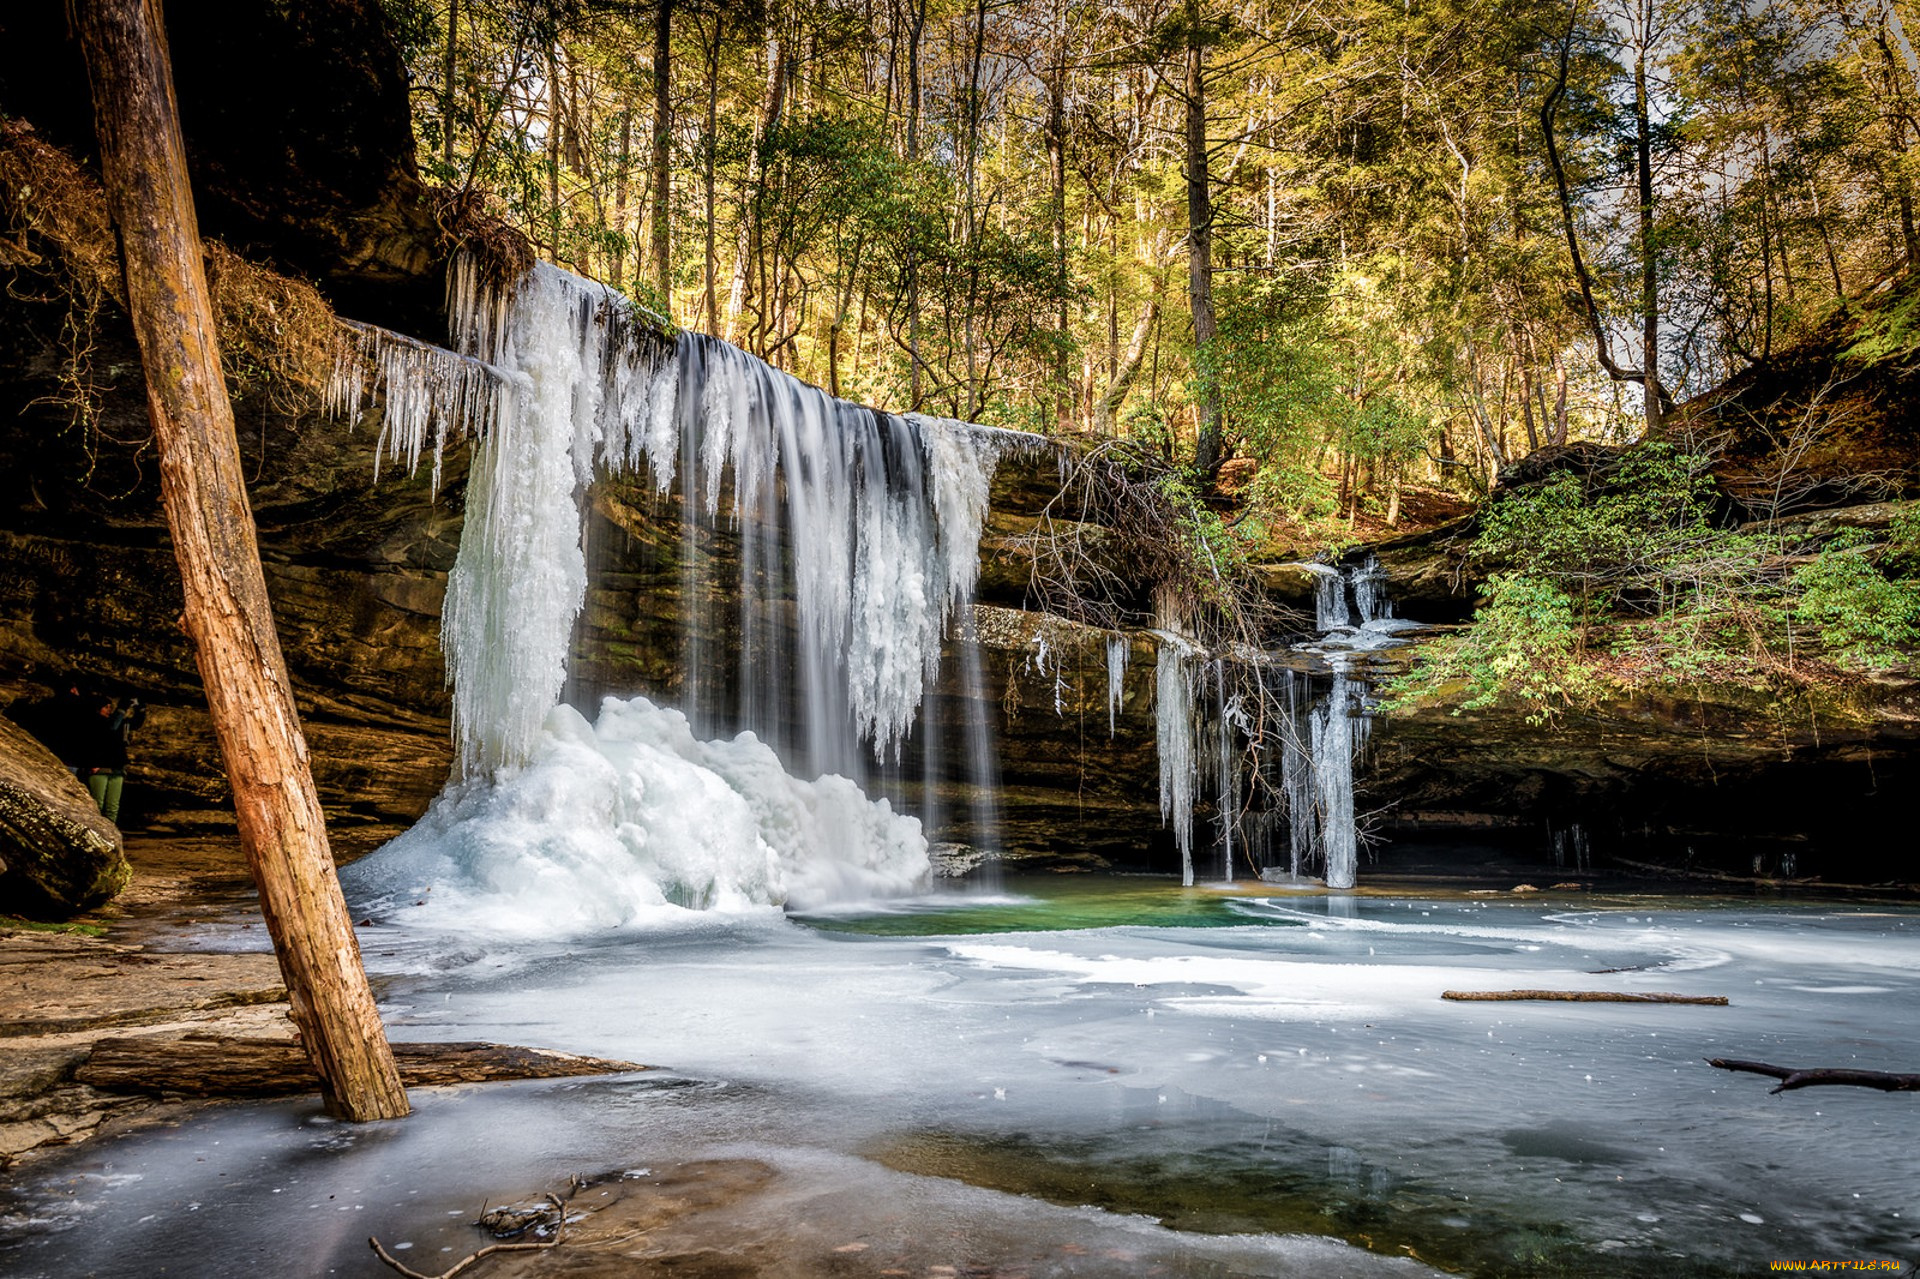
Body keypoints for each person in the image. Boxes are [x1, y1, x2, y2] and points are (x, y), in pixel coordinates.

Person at [84, 695, 142, 824]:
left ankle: (109, 835)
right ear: (98, 708)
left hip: (116, 769)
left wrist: (141, 708)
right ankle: (96, 832)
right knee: (96, 805)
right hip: (100, 768)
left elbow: (135, 723)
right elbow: (110, 728)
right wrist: (122, 708)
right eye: (106, 707)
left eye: (110, 707)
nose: (109, 710)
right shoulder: (94, 722)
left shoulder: (116, 722)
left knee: (113, 806)